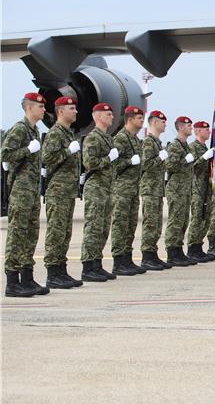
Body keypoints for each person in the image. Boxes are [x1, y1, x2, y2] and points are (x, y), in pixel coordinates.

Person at [3, 93, 48, 296]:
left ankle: (27, 278)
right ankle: (12, 282)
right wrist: (27, 151)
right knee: (17, 234)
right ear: (30, 108)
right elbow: (5, 154)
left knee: (30, 234)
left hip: (31, 190)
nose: (44, 109)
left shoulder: (35, 130)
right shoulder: (20, 129)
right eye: (41, 106)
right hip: (21, 190)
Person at [41, 96, 83, 289]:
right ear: (60, 111)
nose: (75, 111)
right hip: (57, 191)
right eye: (72, 108)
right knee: (56, 232)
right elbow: (48, 159)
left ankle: (61, 270)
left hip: (67, 191)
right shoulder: (55, 133)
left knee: (65, 233)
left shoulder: (68, 133)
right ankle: (52, 273)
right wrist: (68, 151)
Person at [80, 103, 119, 281]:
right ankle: (88, 267)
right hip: (95, 188)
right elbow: (89, 163)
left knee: (103, 229)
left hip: (107, 189)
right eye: (108, 114)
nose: (111, 116)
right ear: (98, 117)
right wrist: (108, 159)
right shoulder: (92, 138)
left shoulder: (108, 138)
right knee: (93, 228)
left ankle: (97, 263)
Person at [110, 105, 147, 276]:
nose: (142, 120)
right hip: (122, 190)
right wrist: (129, 162)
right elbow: (114, 165)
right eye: (139, 118)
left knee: (130, 225)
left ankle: (127, 258)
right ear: (130, 119)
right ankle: (118, 261)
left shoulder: (135, 139)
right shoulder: (121, 139)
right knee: (120, 225)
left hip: (133, 189)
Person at [139, 110, 172, 270]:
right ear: (153, 122)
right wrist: (161, 158)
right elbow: (145, 165)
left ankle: (152, 253)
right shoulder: (148, 142)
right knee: (150, 223)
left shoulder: (157, 142)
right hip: (149, 189)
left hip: (157, 189)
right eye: (162, 121)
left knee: (157, 223)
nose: (165, 123)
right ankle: (147, 256)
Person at [164, 115, 196, 267]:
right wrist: (186, 160)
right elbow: (170, 166)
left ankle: (178, 250)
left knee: (183, 221)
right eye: (189, 125)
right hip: (176, 189)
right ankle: (171, 252)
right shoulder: (174, 146)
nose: (191, 127)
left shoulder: (186, 146)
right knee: (175, 221)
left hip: (185, 189)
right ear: (181, 127)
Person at [186, 121, 215, 262]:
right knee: (197, 217)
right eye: (206, 130)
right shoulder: (193, 147)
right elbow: (193, 167)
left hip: (206, 188)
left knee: (206, 218)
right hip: (197, 188)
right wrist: (204, 158)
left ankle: (199, 246)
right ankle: (192, 248)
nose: (209, 132)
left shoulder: (205, 147)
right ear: (197, 131)